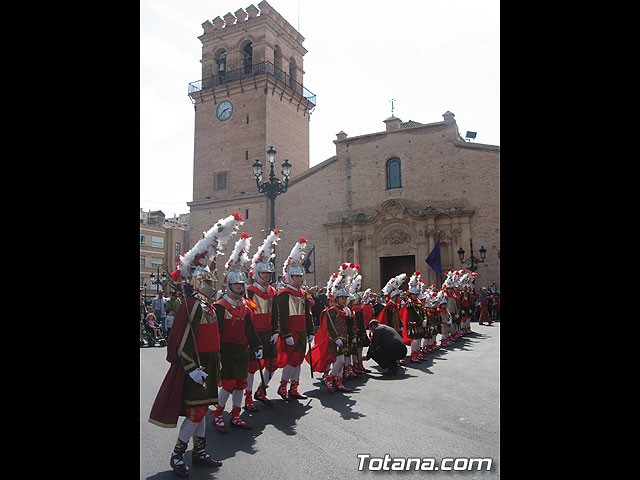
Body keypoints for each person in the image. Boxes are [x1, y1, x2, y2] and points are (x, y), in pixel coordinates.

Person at [148, 212, 244, 477]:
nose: (214, 283)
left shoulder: (209, 305)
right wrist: (191, 367)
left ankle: (199, 452)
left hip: (211, 363)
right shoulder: (191, 306)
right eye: (209, 280)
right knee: (196, 411)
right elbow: (178, 341)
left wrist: (219, 359)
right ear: (199, 281)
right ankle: (178, 455)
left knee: (202, 411)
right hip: (196, 367)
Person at [211, 232, 263, 432]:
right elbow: (216, 332)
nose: (239, 287)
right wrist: (218, 354)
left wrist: (256, 346)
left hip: (242, 349)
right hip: (227, 350)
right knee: (229, 384)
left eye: (241, 285)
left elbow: (250, 329)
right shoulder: (221, 306)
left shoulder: (246, 305)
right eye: (236, 284)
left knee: (241, 383)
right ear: (228, 285)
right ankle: (217, 413)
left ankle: (235, 414)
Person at [245, 229, 280, 410]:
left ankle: (262, 389)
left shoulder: (272, 291)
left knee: (273, 364)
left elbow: (275, 314)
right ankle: (248, 397)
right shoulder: (249, 291)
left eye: (268, 274)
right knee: (251, 367)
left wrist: (276, 331)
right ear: (257, 273)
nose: (266, 276)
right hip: (254, 334)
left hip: (268, 333)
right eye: (264, 273)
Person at [276, 237, 315, 401]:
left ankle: (294, 387)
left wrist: (311, 330)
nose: (299, 279)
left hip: (302, 330)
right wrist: (286, 334)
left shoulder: (303, 294)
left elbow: (308, 314)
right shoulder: (284, 294)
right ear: (290, 277)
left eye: (300, 276)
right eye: (296, 277)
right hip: (291, 331)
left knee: (298, 360)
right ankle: (283, 386)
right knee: (291, 361)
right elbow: (282, 316)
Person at [400, 271, 427, 362]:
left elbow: (423, 311)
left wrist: (425, 319)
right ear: (411, 295)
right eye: (414, 294)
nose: (415, 296)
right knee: (415, 339)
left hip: (420, 323)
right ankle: (413, 354)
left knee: (419, 339)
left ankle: (418, 352)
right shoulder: (409, 303)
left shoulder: (418, 302)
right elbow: (413, 314)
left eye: (416, 294)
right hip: (414, 323)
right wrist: (420, 321)